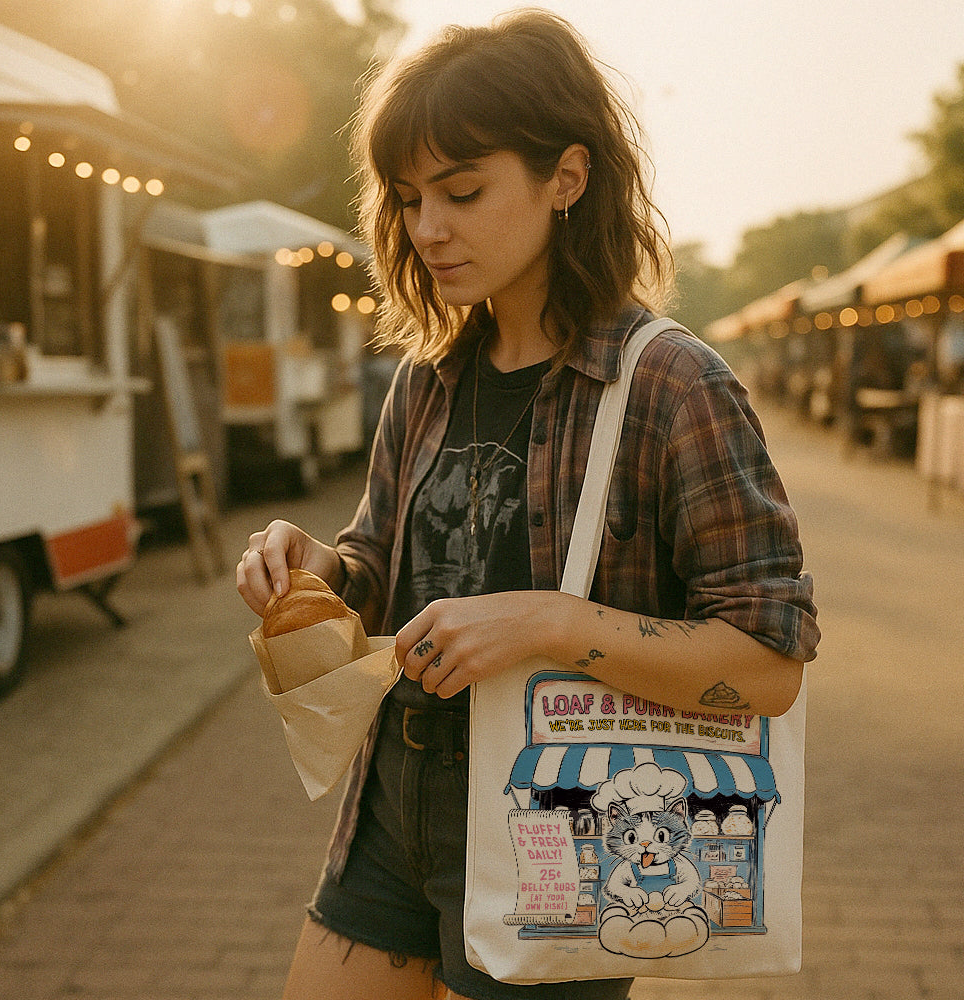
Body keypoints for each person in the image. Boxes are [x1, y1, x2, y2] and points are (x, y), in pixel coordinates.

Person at [237, 11, 819, 1000]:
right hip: (391, 804)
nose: (426, 228)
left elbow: (768, 664)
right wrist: (320, 570)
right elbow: (377, 566)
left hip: (557, 822)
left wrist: (548, 622)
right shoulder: (424, 381)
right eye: (409, 197)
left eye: (462, 191)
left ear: (567, 177)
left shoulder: (671, 386)